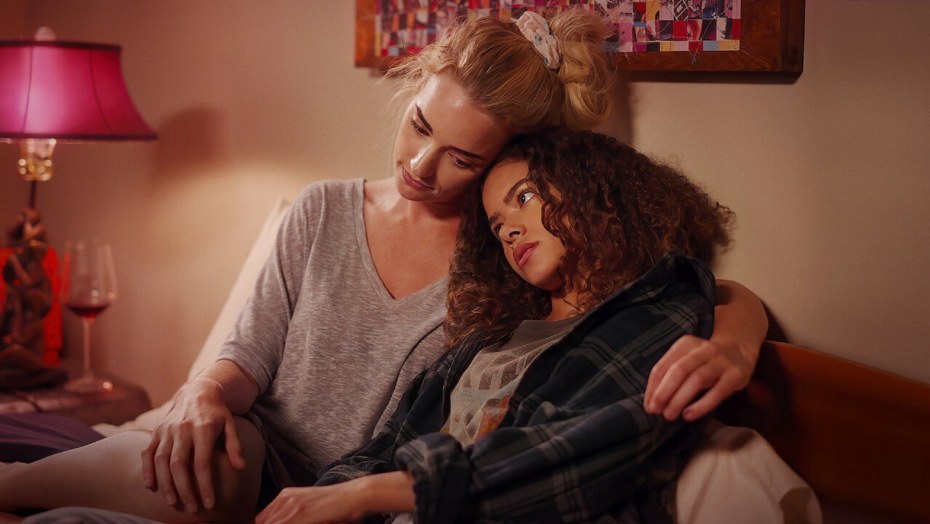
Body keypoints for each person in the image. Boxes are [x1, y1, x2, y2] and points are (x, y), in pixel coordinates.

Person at [0, 9, 765, 523]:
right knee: (194, 460)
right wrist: (200, 395)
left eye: (462, 158)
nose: (421, 166)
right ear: (411, 91)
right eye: (419, 126)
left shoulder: (512, 256)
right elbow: (245, 359)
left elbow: (684, 291)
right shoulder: (321, 210)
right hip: (254, 459)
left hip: (362, 497)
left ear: (508, 159)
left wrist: (735, 342)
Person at [254, 126, 733, 523]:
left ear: (590, 187)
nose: (511, 231)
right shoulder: (488, 340)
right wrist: (333, 492)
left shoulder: (654, 315)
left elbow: (559, 459)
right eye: (498, 225)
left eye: (524, 197)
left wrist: (364, 495)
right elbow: (387, 447)